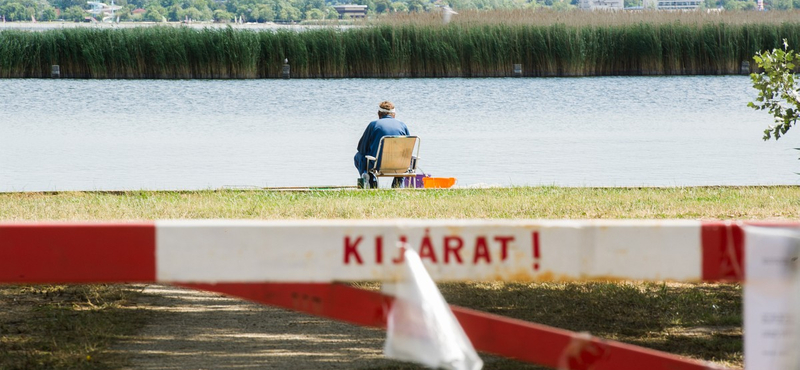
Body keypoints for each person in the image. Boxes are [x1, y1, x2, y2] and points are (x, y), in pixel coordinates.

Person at [354, 101, 410, 189]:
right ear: (394, 114)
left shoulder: (374, 125)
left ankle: (370, 179)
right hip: (399, 164)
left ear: (379, 114)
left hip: (378, 164)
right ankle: (397, 185)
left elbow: (361, 148)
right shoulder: (402, 125)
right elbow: (408, 150)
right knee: (404, 159)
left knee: (358, 156)